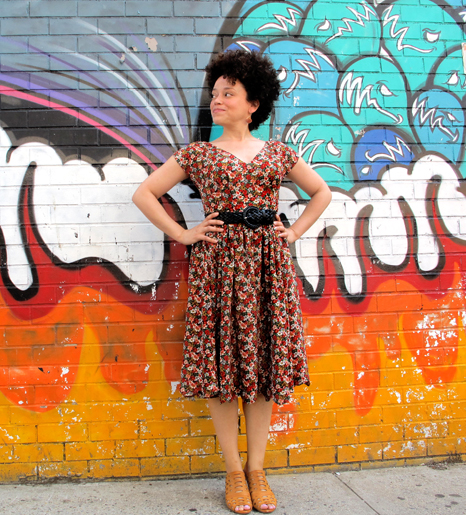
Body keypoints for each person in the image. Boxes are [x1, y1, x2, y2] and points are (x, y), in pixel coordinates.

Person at [132, 49, 332, 514]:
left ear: (253, 104)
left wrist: (294, 232)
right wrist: (184, 234)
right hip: (218, 270)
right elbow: (144, 193)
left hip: (266, 270)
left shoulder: (277, 153)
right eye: (215, 93)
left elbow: (322, 192)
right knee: (222, 371)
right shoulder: (198, 154)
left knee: (262, 368)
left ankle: (257, 470)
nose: (217, 100)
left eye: (229, 93)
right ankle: (233, 473)